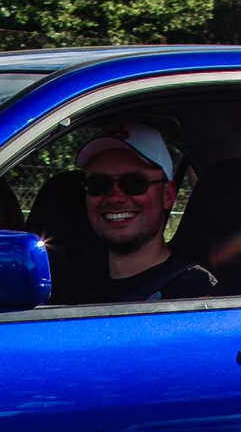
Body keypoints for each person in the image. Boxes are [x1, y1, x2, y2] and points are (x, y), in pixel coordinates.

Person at [71, 125, 216, 303]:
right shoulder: (76, 294)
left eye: (134, 183)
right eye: (98, 184)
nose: (115, 197)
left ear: (167, 195)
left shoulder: (193, 295)